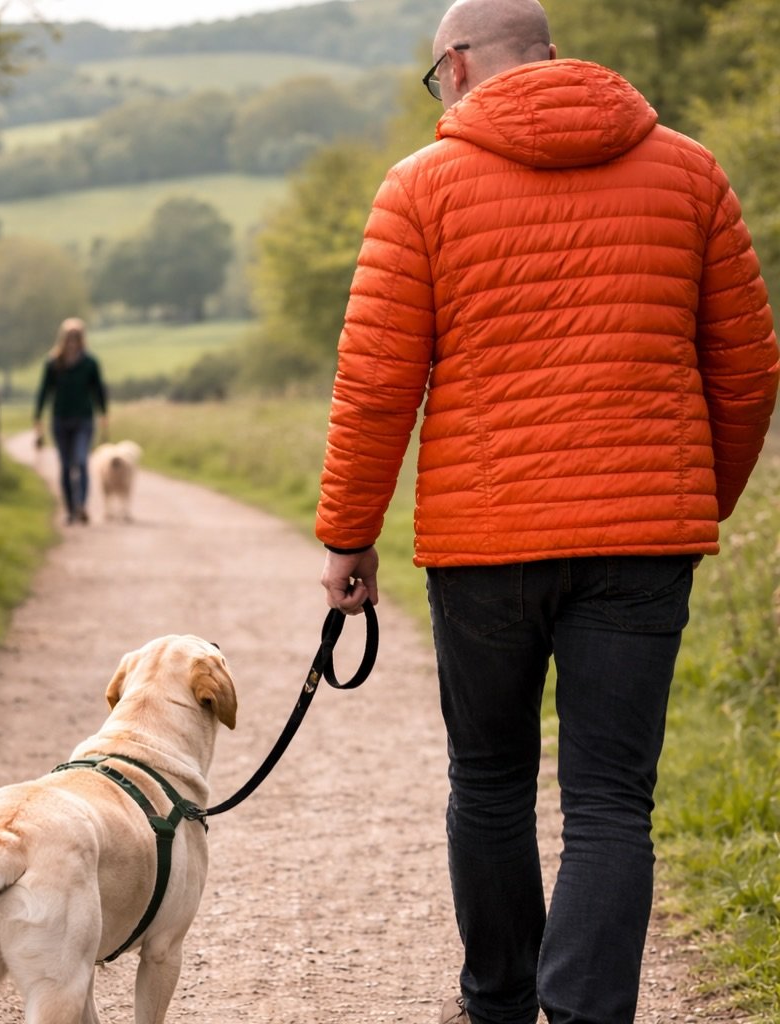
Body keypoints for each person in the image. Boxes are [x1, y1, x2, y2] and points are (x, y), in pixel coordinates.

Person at [315, 1, 779, 1022]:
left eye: (437, 78)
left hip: (485, 546)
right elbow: (747, 372)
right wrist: (687, 501)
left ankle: (497, 1003)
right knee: (611, 800)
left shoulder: (420, 187)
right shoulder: (689, 172)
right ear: (550, 57)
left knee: (487, 780)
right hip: (642, 543)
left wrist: (349, 534)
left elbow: (377, 382)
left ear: (460, 63)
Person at [34, 317, 109, 525]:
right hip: (60, 419)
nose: (72, 342)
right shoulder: (53, 364)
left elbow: (98, 391)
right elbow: (44, 391)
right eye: (69, 338)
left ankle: (81, 505)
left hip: (84, 419)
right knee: (66, 465)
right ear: (63, 339)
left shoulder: (90, 363)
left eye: (76, 338)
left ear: (81, 339)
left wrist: (104, 414)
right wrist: (37, 417)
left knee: (82, 462)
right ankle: (69, 509)